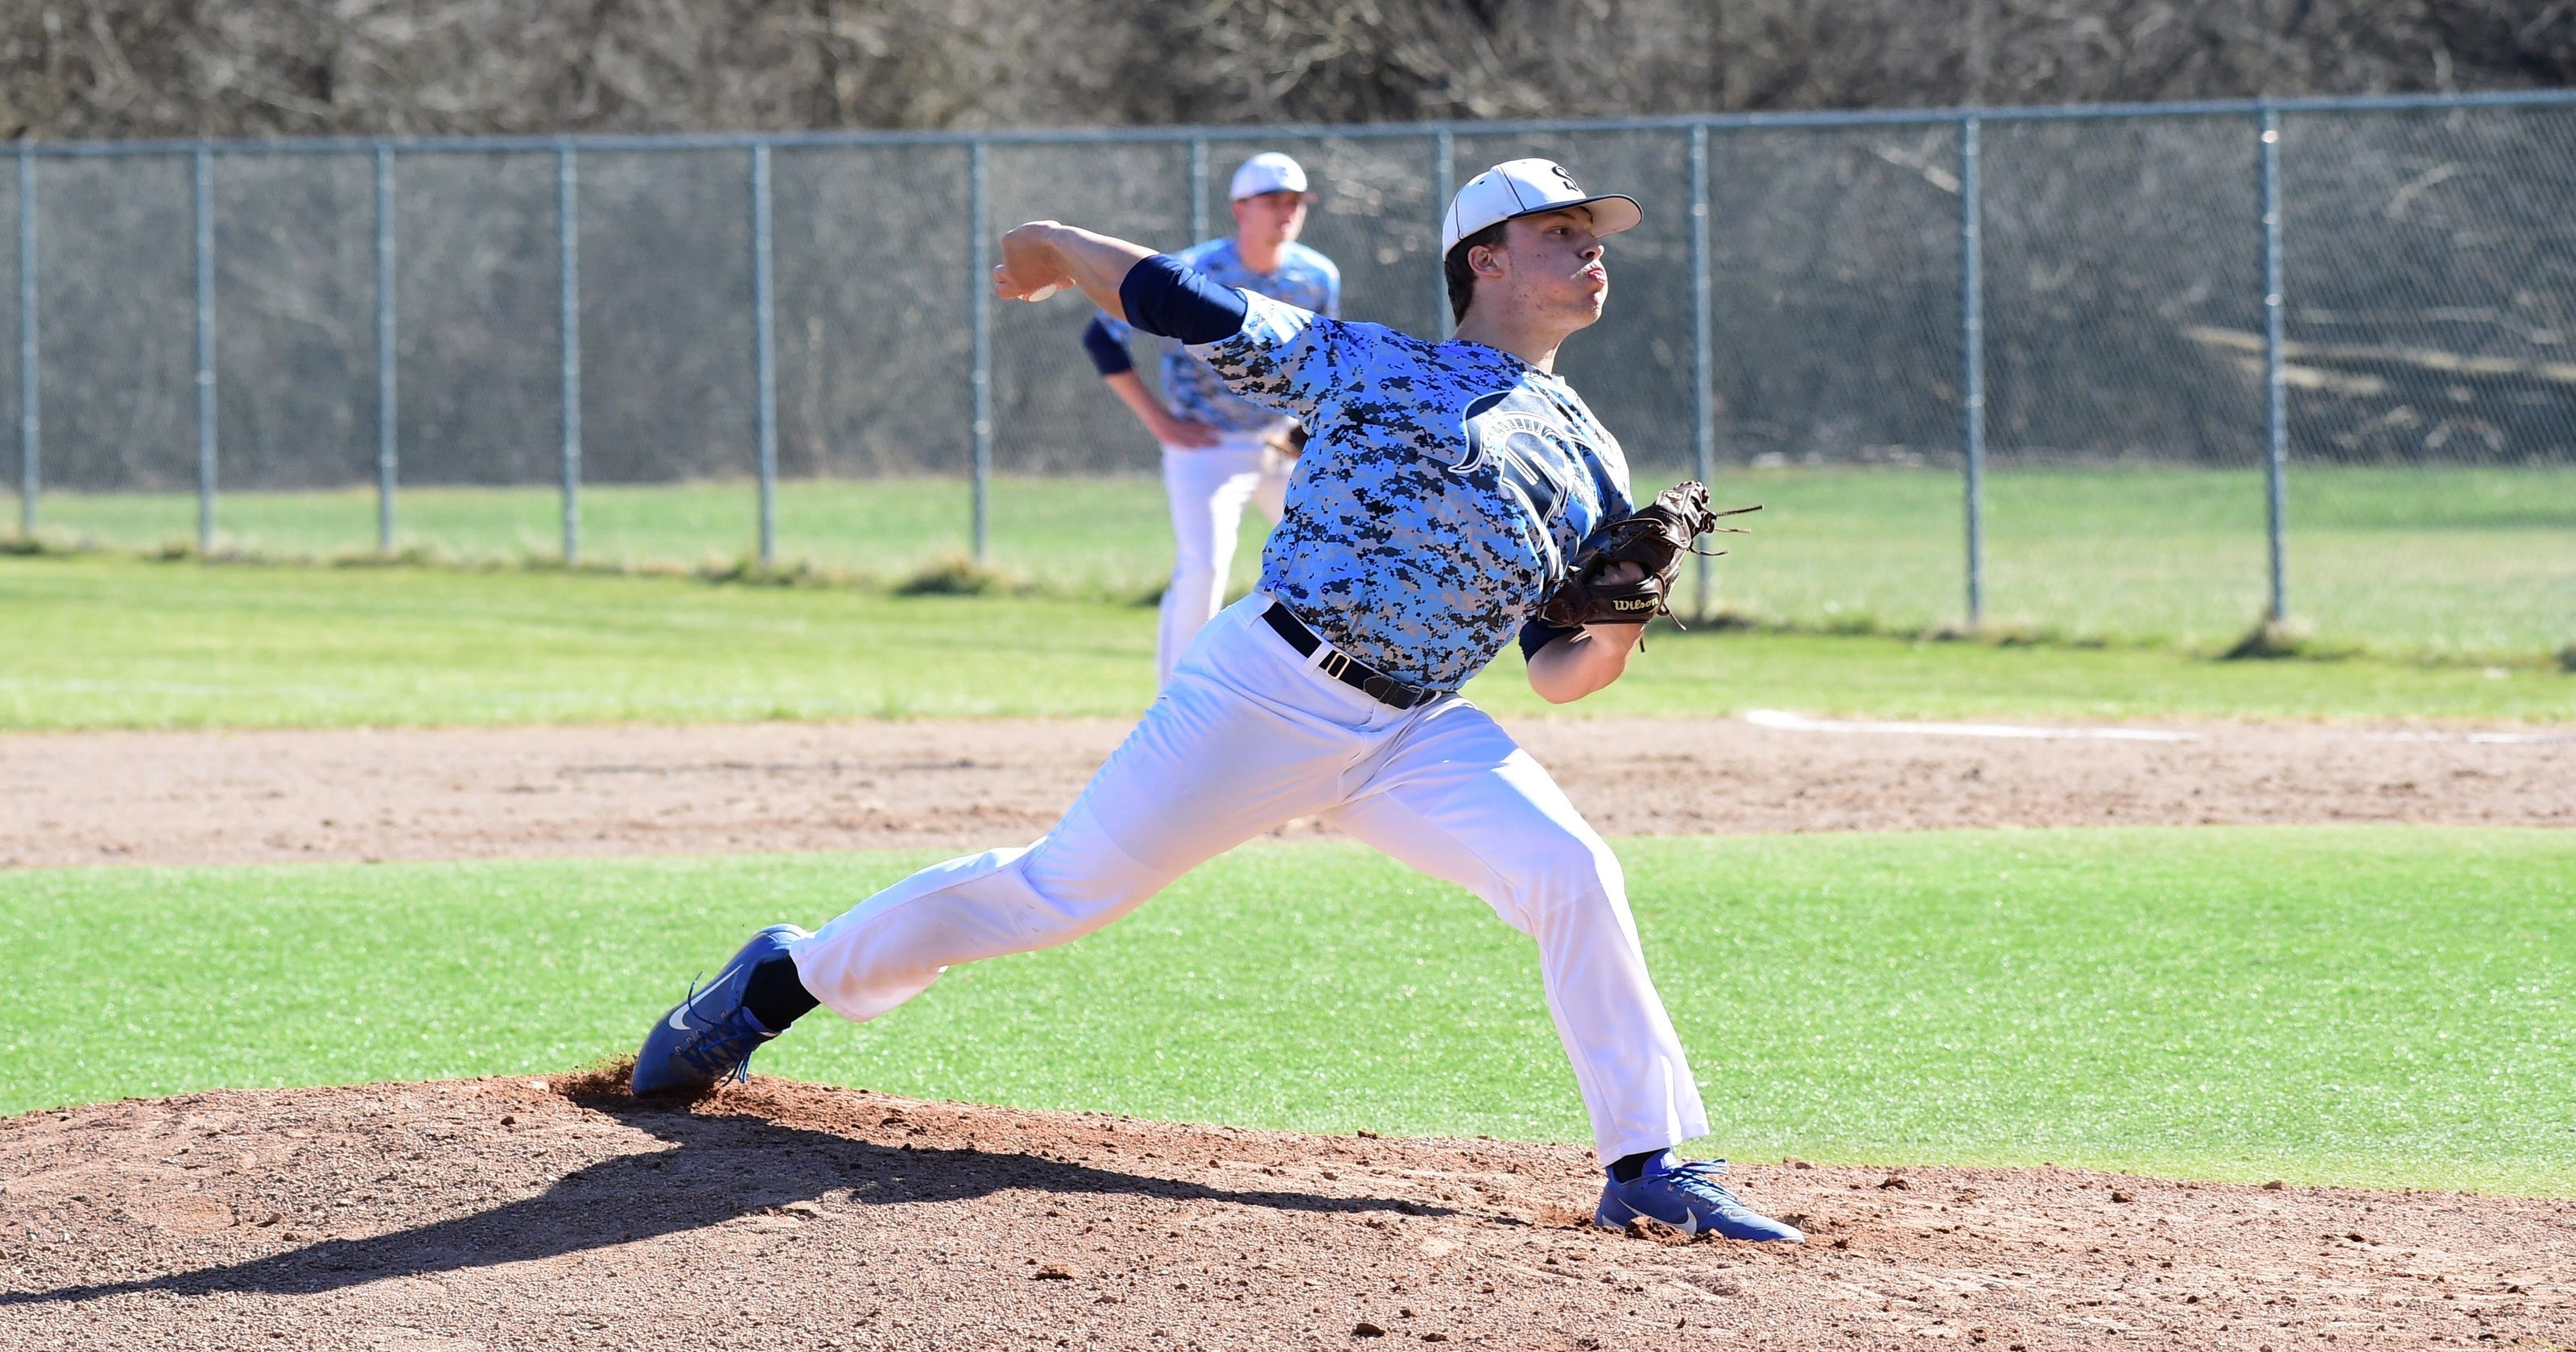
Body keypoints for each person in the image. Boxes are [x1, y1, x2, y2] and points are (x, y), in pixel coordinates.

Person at [632, 159, 1803, 1243]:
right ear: (1483, 262)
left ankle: (1647, 1164)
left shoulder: (1592, 456)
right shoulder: (1376, 362)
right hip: (1270, 691)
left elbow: (1560, 674)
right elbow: (1187, 303)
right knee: (1055, 895)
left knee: (1574, 870)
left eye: (1595, 237)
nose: (1592, 251)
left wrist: (1622, 613)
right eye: (1562, 232)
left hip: (1415, 730)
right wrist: (1051, 241)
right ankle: (783, 979)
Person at [1082, 151, 1340, 686]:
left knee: (1332, 562)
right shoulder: (1195, 271)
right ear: (1240, 210)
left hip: (1280, 445)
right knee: (1204, 569)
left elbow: (1324, 361)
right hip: (1206, 445)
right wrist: (1159, 421)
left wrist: (1308, 428)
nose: (1286, 212)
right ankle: (1175, 705)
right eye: (1273, 201)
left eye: (1294, 202)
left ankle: (1318, 698)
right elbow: (1100, 336)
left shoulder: (1316, 275)